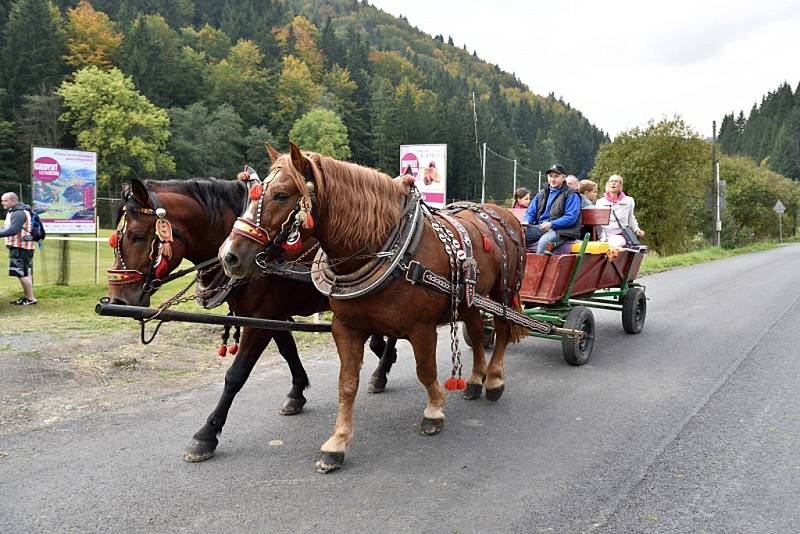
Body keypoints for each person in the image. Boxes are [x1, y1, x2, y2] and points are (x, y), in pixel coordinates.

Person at [523, 164, 581, 254]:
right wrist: (526, 222)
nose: (552, 179)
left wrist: (551, 224)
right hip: (540, 227)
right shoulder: (542, 193)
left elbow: (571, 218)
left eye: (556, 176)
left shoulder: (571, 194)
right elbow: (530, 212)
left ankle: (538, 267)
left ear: (563, 178)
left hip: (563, 231)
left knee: (544, 242)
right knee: (518, 236)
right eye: (550, 176)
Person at [1, 192, 37, 305]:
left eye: (5, 201)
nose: (2, 203)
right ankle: (28, 297)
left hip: (20, 247)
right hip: (22, 247)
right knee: (25, 272)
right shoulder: (17, 211)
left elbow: (13, 230)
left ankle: (30, 298)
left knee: (21, 273)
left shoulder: (18, 213)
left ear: (13, 201)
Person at [595, 174, 645, 248]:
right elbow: (596, 222)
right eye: (611, 181)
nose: (613, 183)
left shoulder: (628, 201)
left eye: (616, 181)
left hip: (619, 234)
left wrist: (637, 230)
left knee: (612, 245)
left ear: (620, 185)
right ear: (608, 184)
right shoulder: (600, 202)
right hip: (603, 235)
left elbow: (631, 218)